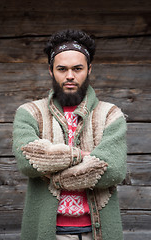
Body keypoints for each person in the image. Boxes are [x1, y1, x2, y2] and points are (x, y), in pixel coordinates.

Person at [12, 29, 127, 240]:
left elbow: (114, 170)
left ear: (89, 69)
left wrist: (53, 169)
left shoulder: (110, 114)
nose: (70, 76)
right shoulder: (29, 113)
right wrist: (84, 157)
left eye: (78, 68)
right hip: (49, 232)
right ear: (50, 71)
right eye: (62, 69)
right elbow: (27, 161)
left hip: (98, 232)